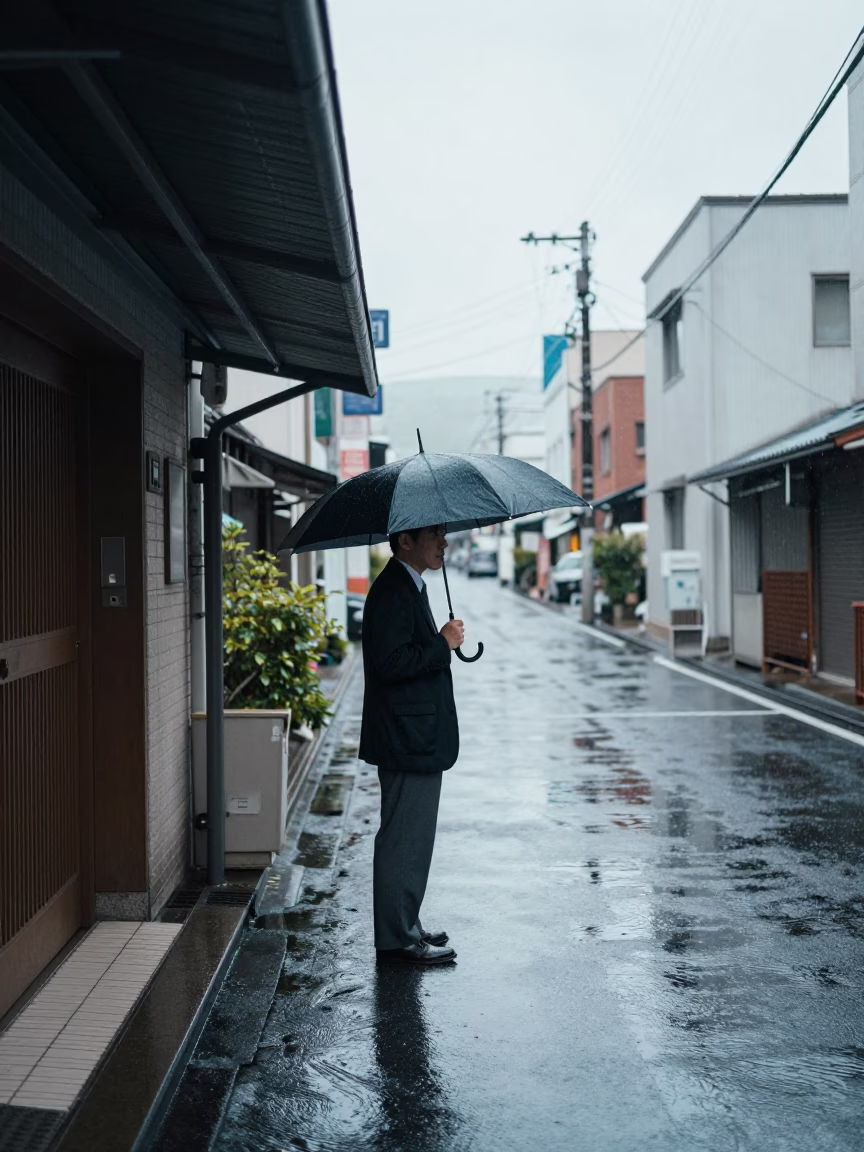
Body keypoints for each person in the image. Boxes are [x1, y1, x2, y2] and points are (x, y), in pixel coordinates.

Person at [359, 524, 464, 965]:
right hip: (407, 737)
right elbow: (391, 663)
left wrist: (440, 642)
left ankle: (407, 923)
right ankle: (398, 937)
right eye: (435, 534)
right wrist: (442, 643)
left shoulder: (410, 585)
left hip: (415, 735)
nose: (444, 542)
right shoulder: (392, 590)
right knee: (403, 837)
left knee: (414, 837)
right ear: (406, 540)